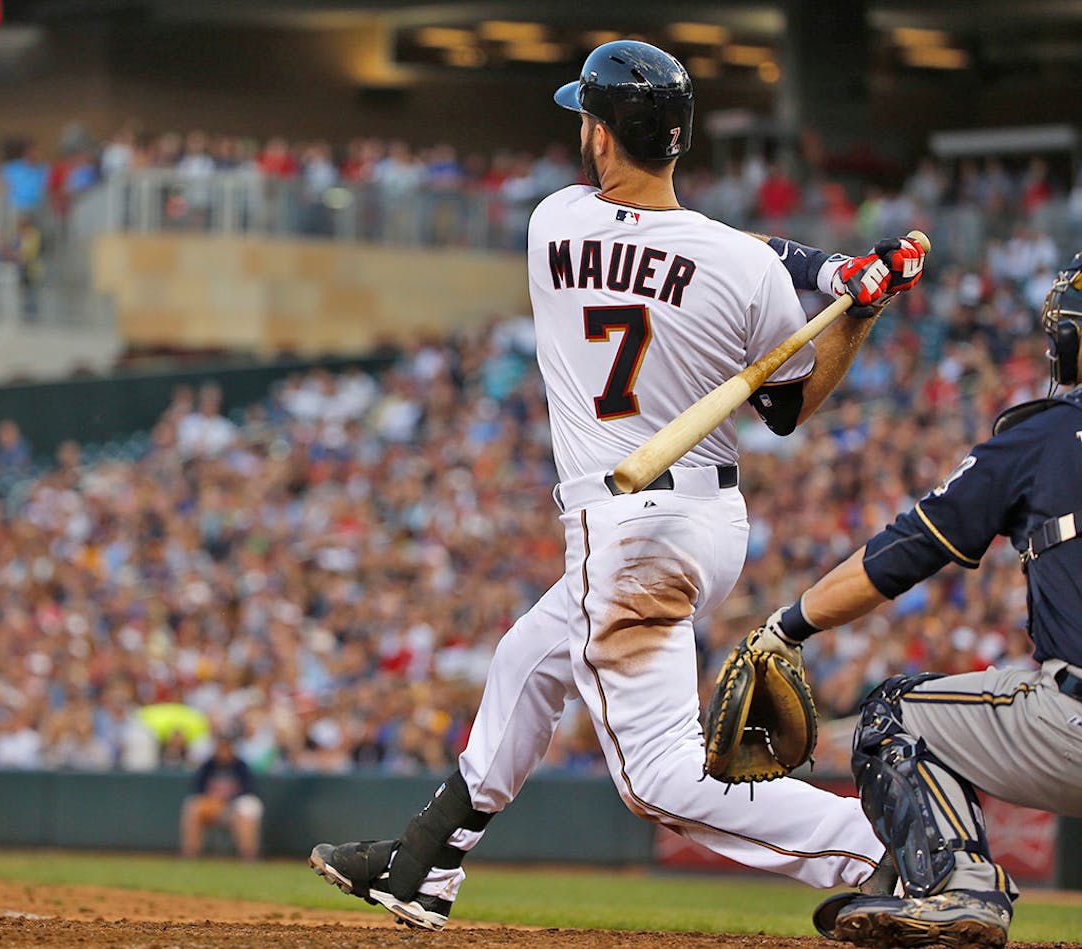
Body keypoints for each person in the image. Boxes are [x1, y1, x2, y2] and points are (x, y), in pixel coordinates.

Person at [309, 40, 925, 930]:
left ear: (604, 137)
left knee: (656, 778)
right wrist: (850, 301)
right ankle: (427, 858)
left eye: (586, 120)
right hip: (708, 522)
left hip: (625, 524)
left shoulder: (553, 221)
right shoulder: (742, 267)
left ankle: (890, 848)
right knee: (530, 653)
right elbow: (790, 406)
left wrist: (825, 272)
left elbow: (686, 237)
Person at [746, 254, 1082, 949]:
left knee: (894, 713)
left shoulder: (1044, 436)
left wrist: (789, 624)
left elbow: (906, 550)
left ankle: (956, 885)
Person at [180, 735, 263, 861]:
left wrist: (227, 801)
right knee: (193, 806)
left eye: (225, 747)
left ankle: (248, 856)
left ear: (231, 749)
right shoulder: (209, 765)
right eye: (220, 747)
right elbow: (197, 788)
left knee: (246, 809)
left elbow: (249, 790)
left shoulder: (241, 766)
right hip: (214, 806)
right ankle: (190, 853)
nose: (222, 751)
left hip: (235, 805)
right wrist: (214, 800)